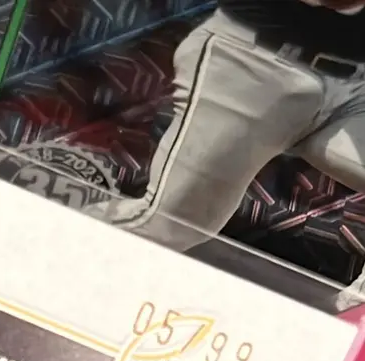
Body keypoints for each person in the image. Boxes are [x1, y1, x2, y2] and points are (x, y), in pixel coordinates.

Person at [97, 0, 365, 308]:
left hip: (355, 88)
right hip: (255, 63)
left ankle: (352, 324)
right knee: (169, 224)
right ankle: (55, 253)